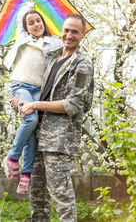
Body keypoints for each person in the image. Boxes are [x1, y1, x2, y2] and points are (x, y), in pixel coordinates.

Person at [17, 14, 94, 221]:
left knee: (62, 199)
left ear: (82, 35)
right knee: (38, 200)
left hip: (58, 141)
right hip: (37, 137)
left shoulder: (82, 65)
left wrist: (36, 104)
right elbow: (34, 87)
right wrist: (22, 100)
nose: (69, 35)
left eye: (75, 32)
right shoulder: (51, 57)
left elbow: (73, 104)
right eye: (66, 30)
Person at [2, 1, 63, 194]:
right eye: (31, 22)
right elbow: (22, 17)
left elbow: (66, 44)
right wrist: (28, 6)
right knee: (31, 118)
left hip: (39, 90)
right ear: (26, 27)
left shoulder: (52, 42)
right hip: (21, 86)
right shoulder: (23, 39)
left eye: (38, 21)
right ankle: (12, 158)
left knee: (32, 127)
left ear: (43, 23)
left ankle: (26, 175)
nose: (36, 25)